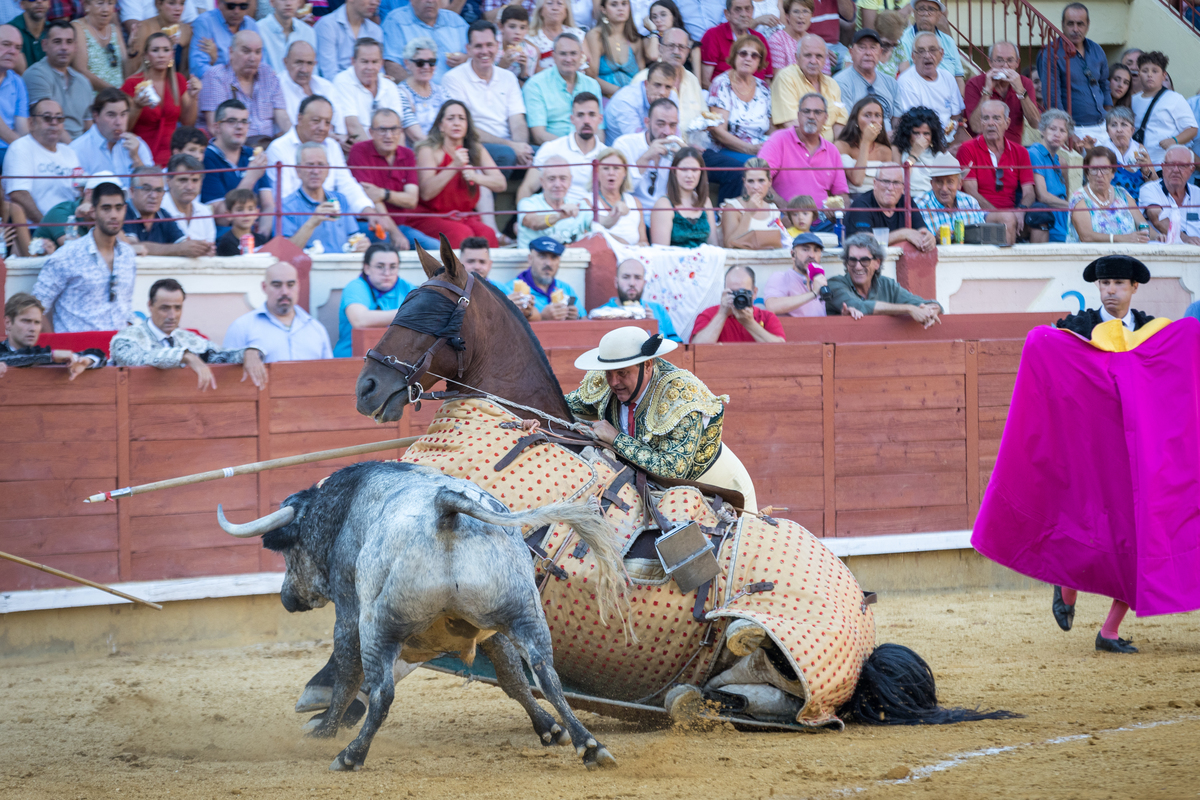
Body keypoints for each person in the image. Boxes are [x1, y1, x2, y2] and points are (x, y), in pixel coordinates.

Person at [1048, 255, 1159, 653]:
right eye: (1105, 283)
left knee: (1139, 540)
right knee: (1086, 526)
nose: (1110, 290)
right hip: (1091, 448)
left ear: (1133, 288)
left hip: (1137, 451)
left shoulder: (1150, 331)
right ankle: (1067, 584)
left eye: (1118, 283)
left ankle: (1109, 631)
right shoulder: (1075, 327)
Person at [563, 325, 756, 510]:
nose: (614, 382)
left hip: (719, 492)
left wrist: (616, 439)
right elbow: (562, 407)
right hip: (657, 494)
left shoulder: (681, 396)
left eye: (622, 373)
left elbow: (671, 470)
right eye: (608, 373)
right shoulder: (608, 383)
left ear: (647, 365)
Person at [110, 278, 268, 390]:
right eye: (165, 308)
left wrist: (250, 352)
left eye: (177, 308)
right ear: (150, 306)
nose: (172, 315)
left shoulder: (187, 338)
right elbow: (138, 359)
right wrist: (185, 356)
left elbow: (220, 355)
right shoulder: (127, 337)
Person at [32, 179, 136, 333]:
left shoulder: (127, 255)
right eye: (106, 208)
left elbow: (125, 305)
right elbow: (36, 306)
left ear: (125, 210)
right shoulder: (67, 255)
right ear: (93, 211)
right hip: (77, 351)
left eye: (118, 208)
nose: (114, 215)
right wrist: (56, 345)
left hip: (119, 350)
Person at [412, 100, 507, 246]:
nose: (457, 123)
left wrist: (476, 177)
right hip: (430, 216)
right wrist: (454, 165)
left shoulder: (476, 149)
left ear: (467, 125)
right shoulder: (429, 150)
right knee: (462, 234)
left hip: (463, 216)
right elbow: (426, 193)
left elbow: (501, 184)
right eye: (451, 118)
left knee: (487, 234)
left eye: (461, 118)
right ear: (441, 126)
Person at [442, 20, 534, 170]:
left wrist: (520, 147)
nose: (485, 51)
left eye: (489, 45)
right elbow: (466, 128)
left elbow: (517, 120)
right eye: (478, 46)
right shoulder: (453, 79)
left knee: (544, 155)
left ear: (497, 47)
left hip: (509, 145)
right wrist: (511, 146)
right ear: (468, 49)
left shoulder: (508, 77)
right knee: (506, 155)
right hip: (474, 145)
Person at [347, 107, 439, 251]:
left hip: (401, 226)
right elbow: (372, 199)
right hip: (370, 224)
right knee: (386, 242)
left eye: (394, 129)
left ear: (401, 131)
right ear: (371, 132)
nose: (389, 135)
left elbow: (411, 200)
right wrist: (395, 233)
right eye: (382, 130)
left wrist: (384, 193)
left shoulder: (407, 154)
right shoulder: (359, 151)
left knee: (436, 248)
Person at [704, 32, 772, 203]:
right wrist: (750, 149)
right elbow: (717, 132)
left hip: (759, 150)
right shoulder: (722, 84)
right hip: (729, 149)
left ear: (759, 62)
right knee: (757, 167)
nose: (748, 58)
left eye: (754, 55)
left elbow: (770, 127)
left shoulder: (763, 88)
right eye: (743, 53)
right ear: (734, 56)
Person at [825, 232, 941, 326]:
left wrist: (932, 311)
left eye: (865, 260)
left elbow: (927, 303)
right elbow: (860, 306)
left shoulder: (886, 284)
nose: (858, 266)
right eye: (852, 260)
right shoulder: (834, 284)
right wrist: (909, 309)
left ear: (877, 263)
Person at [224, 262, 333, 362]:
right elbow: (225, 373)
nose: (285, 292)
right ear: (264, 287)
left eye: (290, 285)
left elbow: (329, 374)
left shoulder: (316, 329)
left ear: (298, 285)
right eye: (277, 285)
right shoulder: (242, 327)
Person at [957, 100, 1032, 244]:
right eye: (986, 118)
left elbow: (1029, 192)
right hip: (979, 213)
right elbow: (971, 192)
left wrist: (1021, 210)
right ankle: (1008, 265)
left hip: (1012, 212)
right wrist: (1003, 214)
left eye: (996, 118)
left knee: (1042, 219)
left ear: (1007, 122)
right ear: (981, 123)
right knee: (1007, 219)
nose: (990, 123)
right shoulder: (967, 149)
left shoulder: (1020, 152)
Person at [759, 92, 849, 210]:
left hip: (823, 222)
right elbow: (759, 179)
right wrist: (786, 210)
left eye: (817, 112)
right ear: (798, 115)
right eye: (806, 111)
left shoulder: (832, 151)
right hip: (785, 220)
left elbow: (842, 195)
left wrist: (836, 210)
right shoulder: (779, 139)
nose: (811, 116)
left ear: (826, 118)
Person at [200, 99, 275, 237]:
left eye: (244, 121)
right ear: (217, 127)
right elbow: (222, 217)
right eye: (232, 121)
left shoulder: (252, 155)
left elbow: (268, 205)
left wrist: (262, 238)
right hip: (224, 237)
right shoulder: (206, 158)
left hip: (254, 234)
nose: (239, 126)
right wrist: (250, 177)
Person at [123, 32, 199, 165]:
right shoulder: (132, 83)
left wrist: (194, 98)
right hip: (141, 153)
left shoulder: (179, 80)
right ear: (146, 55)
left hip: (172, 155)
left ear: (172, 55)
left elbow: (188, 122)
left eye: (166, 50)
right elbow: (123, 127)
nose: (161, 55)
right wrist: (136, 108)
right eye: (155, 50)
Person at [1036, 2, 1109, 140]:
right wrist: (1068, 132)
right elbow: (1052, 97)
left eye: (1080, 24)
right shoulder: (1052, 53)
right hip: (1076, 130)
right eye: (1070, 24)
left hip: (1103, 126)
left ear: (1088, 25)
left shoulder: (1096, 50)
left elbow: (1104, 84)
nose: (1075, 29)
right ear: (1062, 25)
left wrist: (1109, 118)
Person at [197, 30, 289, 140]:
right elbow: (215, 128)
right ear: (231, 52)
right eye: (246, 51)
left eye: (258, 52)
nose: (253, 58)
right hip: (233, 148)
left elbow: (282, 116)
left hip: (267, 145)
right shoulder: (216, 77)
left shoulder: (267, 73)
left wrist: (294, 139)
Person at [282, 141, 368, 253]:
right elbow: (286, 253)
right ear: (298, 171)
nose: (316, 171)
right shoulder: (286, 206)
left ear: (328, 169)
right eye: (309, 165)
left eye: (321, 165)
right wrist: (312, 222)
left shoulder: (341, 199)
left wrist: (362, 245)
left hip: (342, 266)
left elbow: (353, 237)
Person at [3, 99, 80, 223]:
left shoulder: (69, 152)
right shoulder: (20, 148)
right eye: (47, 118)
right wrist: (47, 227)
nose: (54, 123)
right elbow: (19, 195)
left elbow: (78, 192)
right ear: (31, 123)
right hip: (36, 230)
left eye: (59, 118)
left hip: (70, 227)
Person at [521, 91, 602, 205]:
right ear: (572, 119)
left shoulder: (607, 154)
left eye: (592, 115)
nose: (586, 121)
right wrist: (523, 218)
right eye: (580, 115)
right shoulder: (551, 149)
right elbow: (527, 188)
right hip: (558, 216)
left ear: (600, 119)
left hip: (596, 217)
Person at [1, 293, 104, 380]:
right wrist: (51, 355)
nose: (32, 328)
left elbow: (100, 355)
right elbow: (11, 358)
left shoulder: (44, 355)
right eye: (26, 321)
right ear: (8, 322)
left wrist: (86, 361)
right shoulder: (46, 356)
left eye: (37, 322)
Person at [335, 243, 414, 357]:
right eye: (380, 266)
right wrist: (409, 313)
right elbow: (360, 321)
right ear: (367, 268)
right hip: (353, 359)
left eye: (392, 267)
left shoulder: (407, 287)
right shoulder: (356, 286)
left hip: (395, 362)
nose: (387, 273)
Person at [524, 30, 601, 144]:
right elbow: (539, 135)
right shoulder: (535, 85)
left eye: (573, 53)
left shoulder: (592, 85)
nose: (568, 59)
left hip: (588, 150)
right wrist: (573, 148)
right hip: (552, 152)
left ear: (581, 56)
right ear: (553, 56)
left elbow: (599, 130)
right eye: (563, 54)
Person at [1067, 146, 1156, 244]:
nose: (1099, 174)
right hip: (1093, 257)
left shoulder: (1122, 194)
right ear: (1087, 173)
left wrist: (1158, 237)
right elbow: (1086, 236)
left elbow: (1143, 225)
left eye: (1105, 169)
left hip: (1127, 255)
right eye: (1094, 169)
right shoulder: (1079, 198)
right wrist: (1122, 239)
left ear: (1113, 173)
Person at [332, 37, 409, 147]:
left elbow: (398, 130)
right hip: (360, 151)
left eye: (374, 62)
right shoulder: (342, 81)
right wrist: (374, 156)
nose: (370, 67)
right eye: (364, 62)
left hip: (388, 151)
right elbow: (352, 125)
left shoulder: (390, 86)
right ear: (353, 61)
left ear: (381, 63)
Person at [22, 19, 90, 143]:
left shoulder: (84, 82)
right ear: (44, 45)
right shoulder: (36, 74)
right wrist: (75, 154)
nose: (64, 47)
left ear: (75, 46)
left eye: (69, 42)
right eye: (57, 42)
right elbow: (47, 123)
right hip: (50, 146)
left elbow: (89, 127)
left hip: (81, 150)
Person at [769, 33, 847, 139]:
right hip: (799, 147)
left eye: (819, 56)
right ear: (797, 57)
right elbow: (791, 124)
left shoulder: (832, 84)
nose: (813, 61)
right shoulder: (786, 77)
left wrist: (837, 149)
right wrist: (822, 148)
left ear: (825, 60)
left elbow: (840, 123)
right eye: (808, 55)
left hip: (830, 149)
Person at [612, 96, 678, 221]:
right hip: (632, 214)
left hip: (666, 217)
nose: (667, 131)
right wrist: (646, 158)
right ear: (647, 122)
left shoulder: (677, 147)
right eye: (661, 124)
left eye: (673, 125)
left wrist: (684, 161)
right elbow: (619, 188)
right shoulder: (624, 144)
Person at [70, 89, 154, 187]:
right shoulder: (77, 150)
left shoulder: (138, 145)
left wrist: (136, 159)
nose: (119, 122)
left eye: (123, 114)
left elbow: (152, 188)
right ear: (96, 116)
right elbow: (76, 193)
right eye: (111, 115)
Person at [122, 165, 210, 256]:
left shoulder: (163, 215)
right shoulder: (122, 212)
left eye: (159, 190)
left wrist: (202, 249)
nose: (154, 196)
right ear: (132, 191)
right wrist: (179, 249)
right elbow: (133, 246)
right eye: (146, 189)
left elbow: (184, 244)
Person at [629, 26, 703, 134]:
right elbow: (635, 128)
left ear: (688, 52)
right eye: (671, 46)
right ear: (660, 48)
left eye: (682, 47)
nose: (676, 51)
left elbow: (703, 115)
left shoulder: (692, 80)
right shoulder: (643, 78)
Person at [844, 162, 933, 249]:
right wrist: (904, 234)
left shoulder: (907, 202)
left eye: (896, 183)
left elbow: (922, 231)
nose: (890, 188)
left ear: (903, 187)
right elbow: (865, 241)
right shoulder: (861, 205)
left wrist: (928, 238)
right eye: (885, 181)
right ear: (875, 184)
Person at [894, 32, 963, 145]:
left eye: (932, 50)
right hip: (922, 142)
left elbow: (956, 115)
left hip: (949, 137)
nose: (927, 55)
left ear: (941, 54)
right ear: (913, 57)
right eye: (921, 51)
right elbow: (916, 124)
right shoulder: (906, 81)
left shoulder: (948, 77)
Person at [1130, 51, 1197, 166]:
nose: (1150, 75)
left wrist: (1174, 141)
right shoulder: (1133, 100)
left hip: (1163, 163)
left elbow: (1192, 129)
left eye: (1155, 71)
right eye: (1145, 71)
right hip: (1135, 163)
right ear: (1139, 73)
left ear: (1164, 75)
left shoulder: (1175, 99)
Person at [690, 265, 785, 343]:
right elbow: (697, 348)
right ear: (725, 291)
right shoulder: (709, 315)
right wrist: (722, 314)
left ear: (754, 292)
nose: (739, 298)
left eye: (744, 292)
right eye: (733, 292)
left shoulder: (767, 317)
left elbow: (781, 350)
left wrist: (749, 323)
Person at [590, 258, 679, 340]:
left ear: (644, 283)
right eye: (626, 277)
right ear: (616, 282)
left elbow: (677, 348)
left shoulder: (658, 310)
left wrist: (653, 326)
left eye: (637, 278)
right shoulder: (601, 314)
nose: (632, 283)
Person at [383, 0, 468, 84]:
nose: (430, 1)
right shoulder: (396, 21)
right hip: (417, 93)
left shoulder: (455, 20)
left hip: (458, 90)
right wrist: (417, 91)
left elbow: (477, 51)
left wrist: (466, 58)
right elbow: (392, 65)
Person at [497, 235, 580, 320]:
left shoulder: (566, 288)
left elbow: (585, 319)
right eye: (542, 256)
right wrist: (542, 317)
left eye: (554, 257)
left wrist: (576, 317)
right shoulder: (510, 290)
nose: (548, 263)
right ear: (530, 259)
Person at [516, 156, 591, 248]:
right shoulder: (528, 203)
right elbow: (533, 222)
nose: (557, 185)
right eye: (551, 179)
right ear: (542, 182)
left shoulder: (580, 205)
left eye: (563, 178)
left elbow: (600, 224)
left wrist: (612, 216)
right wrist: (559, 216)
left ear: (570, 181)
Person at [650, 146, 715, 247]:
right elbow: (660, 253)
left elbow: (714, 244)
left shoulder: (705, 201)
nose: (689, 175)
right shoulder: (663, 204)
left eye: (694, 170)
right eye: (684, 170)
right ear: (674, 172)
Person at [913, 151, 989, 235]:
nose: (944, 188)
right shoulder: (918, 206)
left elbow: (982, 236)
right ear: (931, 184)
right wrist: (934, 239)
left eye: (950, 182)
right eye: (939, 182)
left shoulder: (970, 202)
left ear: (960, 184)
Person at [699, 0, 770, 89]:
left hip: (757, 98)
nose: (744, 14)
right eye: (738, 9)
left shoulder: (760, 39)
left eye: (747, 9)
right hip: (722, 97)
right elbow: (705, 82)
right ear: (727, 14)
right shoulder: (713, 35)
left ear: (752, 11)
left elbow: (768, 81)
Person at [279, 41, 344, 137]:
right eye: (299, 62)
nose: (304, 69)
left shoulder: (326, 87)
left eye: (309, 63)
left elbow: (339, 126)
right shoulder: (276, 87)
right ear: (285, 62)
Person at [834, 29, 899, 125]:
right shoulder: (841, 83)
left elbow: (897, 121)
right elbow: (846, 125)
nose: (868, 53)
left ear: (880, 52)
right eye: (862, 47)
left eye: (873, 48)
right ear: (851, 53)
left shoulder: (891, 83)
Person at [1026, 109, 1072, 244]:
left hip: (1063, 217)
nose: (1057, 134)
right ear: (1042, 130)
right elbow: (1042, 196)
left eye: (1062, 131)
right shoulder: (1034, 153)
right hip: (1048, 219)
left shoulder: (1061, 161)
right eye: (1052, 129)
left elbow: (1065, 194)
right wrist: (1075, 207)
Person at [896, 0, 963, 91]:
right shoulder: (903, 40)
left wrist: (960, 98)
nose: (925, 14)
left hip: (948, 98)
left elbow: (959, 77)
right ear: (914, 13)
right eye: (921, 9)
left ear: (939, 15)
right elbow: (905, 78)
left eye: (931, 9)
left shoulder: (949, 42)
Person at [1139, 144, 1200, 245]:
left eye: (1182, 166)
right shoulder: (1149, 189)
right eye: (1170, 165)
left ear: (1192, 169)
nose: (1175, 170)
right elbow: (1157, 219)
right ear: (1163, 167)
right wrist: (1185, 239)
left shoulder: (1198, 193)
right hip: (1163, 253)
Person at [603, 59, 674, 145]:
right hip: (620, 153)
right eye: (657, 85)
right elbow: (637, 143)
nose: (663, 92)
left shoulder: (671, 95)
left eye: (668, 87)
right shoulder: (626, 101)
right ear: (646, 84)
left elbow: (674, 133)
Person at [769, 0, 846, 76]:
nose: (801, 16)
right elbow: (779, 77)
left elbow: (825, 78)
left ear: (812, 16)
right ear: (787, 16)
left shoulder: (817, 42)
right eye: (796, 12)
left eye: (805, 11)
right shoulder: (777, 39)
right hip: (789, 87)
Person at [719, 156, 782, 249]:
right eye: (750, 181)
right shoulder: (732, 206)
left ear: (770, 182)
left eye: (761, 181)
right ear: (744, 182)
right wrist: (748, 213)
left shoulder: (773, 210)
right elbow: (729, 245)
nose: (756, 187)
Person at [585, 0, 643, 98]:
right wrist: (620, 91)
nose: (620, 8)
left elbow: (642, 77)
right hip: (603, 98)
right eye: (614, 4)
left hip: (633, 99)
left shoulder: (635, 40)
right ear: (603, 10)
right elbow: (591, 76)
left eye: (624, 4)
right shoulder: (595, 36)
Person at [1093, 106, 1155, 198]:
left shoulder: (1140, 149)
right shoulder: (1103, 151)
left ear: (1132, 130)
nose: (1119, 130)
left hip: (1140, 201)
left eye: (1124, 124)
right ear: (1107, 131)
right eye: (1113, 125)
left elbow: (1155, 184)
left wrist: (1146, 171)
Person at [189, 0, 259, 79]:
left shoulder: (251, 25)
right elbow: (198, 69)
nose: (237, 11)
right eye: (231, 6)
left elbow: (261, 65)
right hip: (217, 87)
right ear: (219, 3)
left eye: (243, 6)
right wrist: (231, 81)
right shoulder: (205, 23)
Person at [835, 96, 890, 197]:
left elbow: (889, 186)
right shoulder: (842, 146)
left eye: (878, 115)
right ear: (855, 120)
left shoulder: (885, 151)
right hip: (855, 200)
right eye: (867, 115)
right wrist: (865, 142)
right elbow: (857, 180)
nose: (873, 120)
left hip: (879, 201)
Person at [590, 146, 646, 244]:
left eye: (616, 168)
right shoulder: (588, 201)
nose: (611, 173)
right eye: (606, 168)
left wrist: (640, 247)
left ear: (624, 173)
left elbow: (643, 241)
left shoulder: (635, 203)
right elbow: (588, 238)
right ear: (597, 173)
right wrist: (622, 244)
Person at [313, 0, 382, 79]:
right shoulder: (327, 26)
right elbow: (329, 75)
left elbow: (379, 72)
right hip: (336, 88)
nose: (375, 3)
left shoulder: (376, 31)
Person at [762, 232, 827, 317]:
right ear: (793, 254)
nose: (812, 255)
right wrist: (813, 293)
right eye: (805, 249)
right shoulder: (781, 277)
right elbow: (772, 306)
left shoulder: (820, 281)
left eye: (816, 250)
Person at [396, 39, 449, 140]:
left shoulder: (442, 91)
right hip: (419, 151)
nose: (426, 67)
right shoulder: (401, 94)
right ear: (407, 63)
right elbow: (415, 135)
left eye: (431, 62)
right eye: (420, 62)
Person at [890, 104, 946, 197]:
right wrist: (914, 154)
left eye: (926, 133)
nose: (921, 138)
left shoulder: (938, 152)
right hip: (907, 198)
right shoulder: (897, 150)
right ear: (908, 133)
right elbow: (899, 180)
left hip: (932, 199)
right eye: (916, 133)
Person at [125, 0, 192, 76]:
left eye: (182, 3)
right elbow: (134, 69)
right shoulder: (144, 27)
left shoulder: (187, 31)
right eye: (172, 3)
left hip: (175, 84)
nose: (178, 8)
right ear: (158, 4)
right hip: (147, 82)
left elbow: (184, 71)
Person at [161, 152, 216, 245]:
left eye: (195, 180)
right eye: (183, 180)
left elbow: (210, 249)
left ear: (201, 182)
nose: (190, 187)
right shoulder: (158, 210)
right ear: (168, 181)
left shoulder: (205, 212)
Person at [642, 0, 701, 77]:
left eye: (663, 15)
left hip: (684, 86)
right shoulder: (648, 40)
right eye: (654, 17)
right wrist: (653, 31)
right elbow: (653, 56)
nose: (658, 20)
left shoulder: (691, 45)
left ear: (673, 16)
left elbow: (697, 80)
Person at [526, 0, 585, 75]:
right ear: (540, 11)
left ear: (566, 11)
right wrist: (564, 74)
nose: (555, 8)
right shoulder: (530, 37)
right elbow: (530, 70)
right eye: (549, 3)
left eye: (560, 3)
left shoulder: (578, 34)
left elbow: (589, 69)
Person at [258, 0, 316, 76]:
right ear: (272, 2)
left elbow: (313, 71)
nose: (288, 3)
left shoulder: (308, 32)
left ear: (299, 2)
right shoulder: (259, 29)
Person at [215, 187, 268, 254]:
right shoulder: (225, 242)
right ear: (229, 215)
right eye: (240, 210)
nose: (246, 214)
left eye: (250, 209)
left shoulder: (261, 239)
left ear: (256, 213)